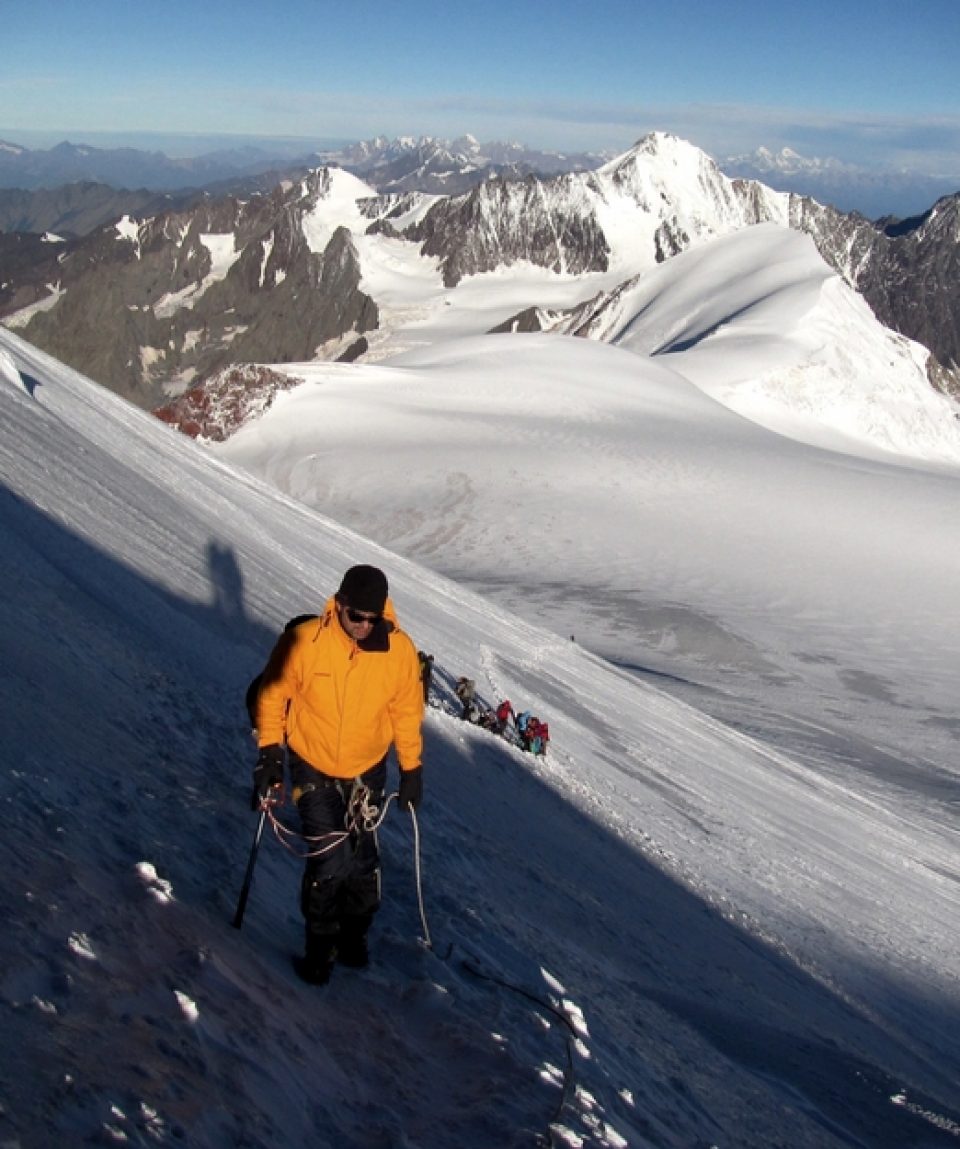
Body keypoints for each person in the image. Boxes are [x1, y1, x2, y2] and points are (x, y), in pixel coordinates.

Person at [251, 564, 424, 985]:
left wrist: (411, 767)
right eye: (357, 616)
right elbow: (274, 696)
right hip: (312, 762)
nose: (365, 625)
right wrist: (270, 753)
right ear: (340, 603)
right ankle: (320, 949)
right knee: (329, 860)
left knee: (363, 864)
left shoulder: (399, 652)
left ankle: (353, 937)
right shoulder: (306, 642)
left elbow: (405, 713)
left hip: (368, 770)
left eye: (373, 618)